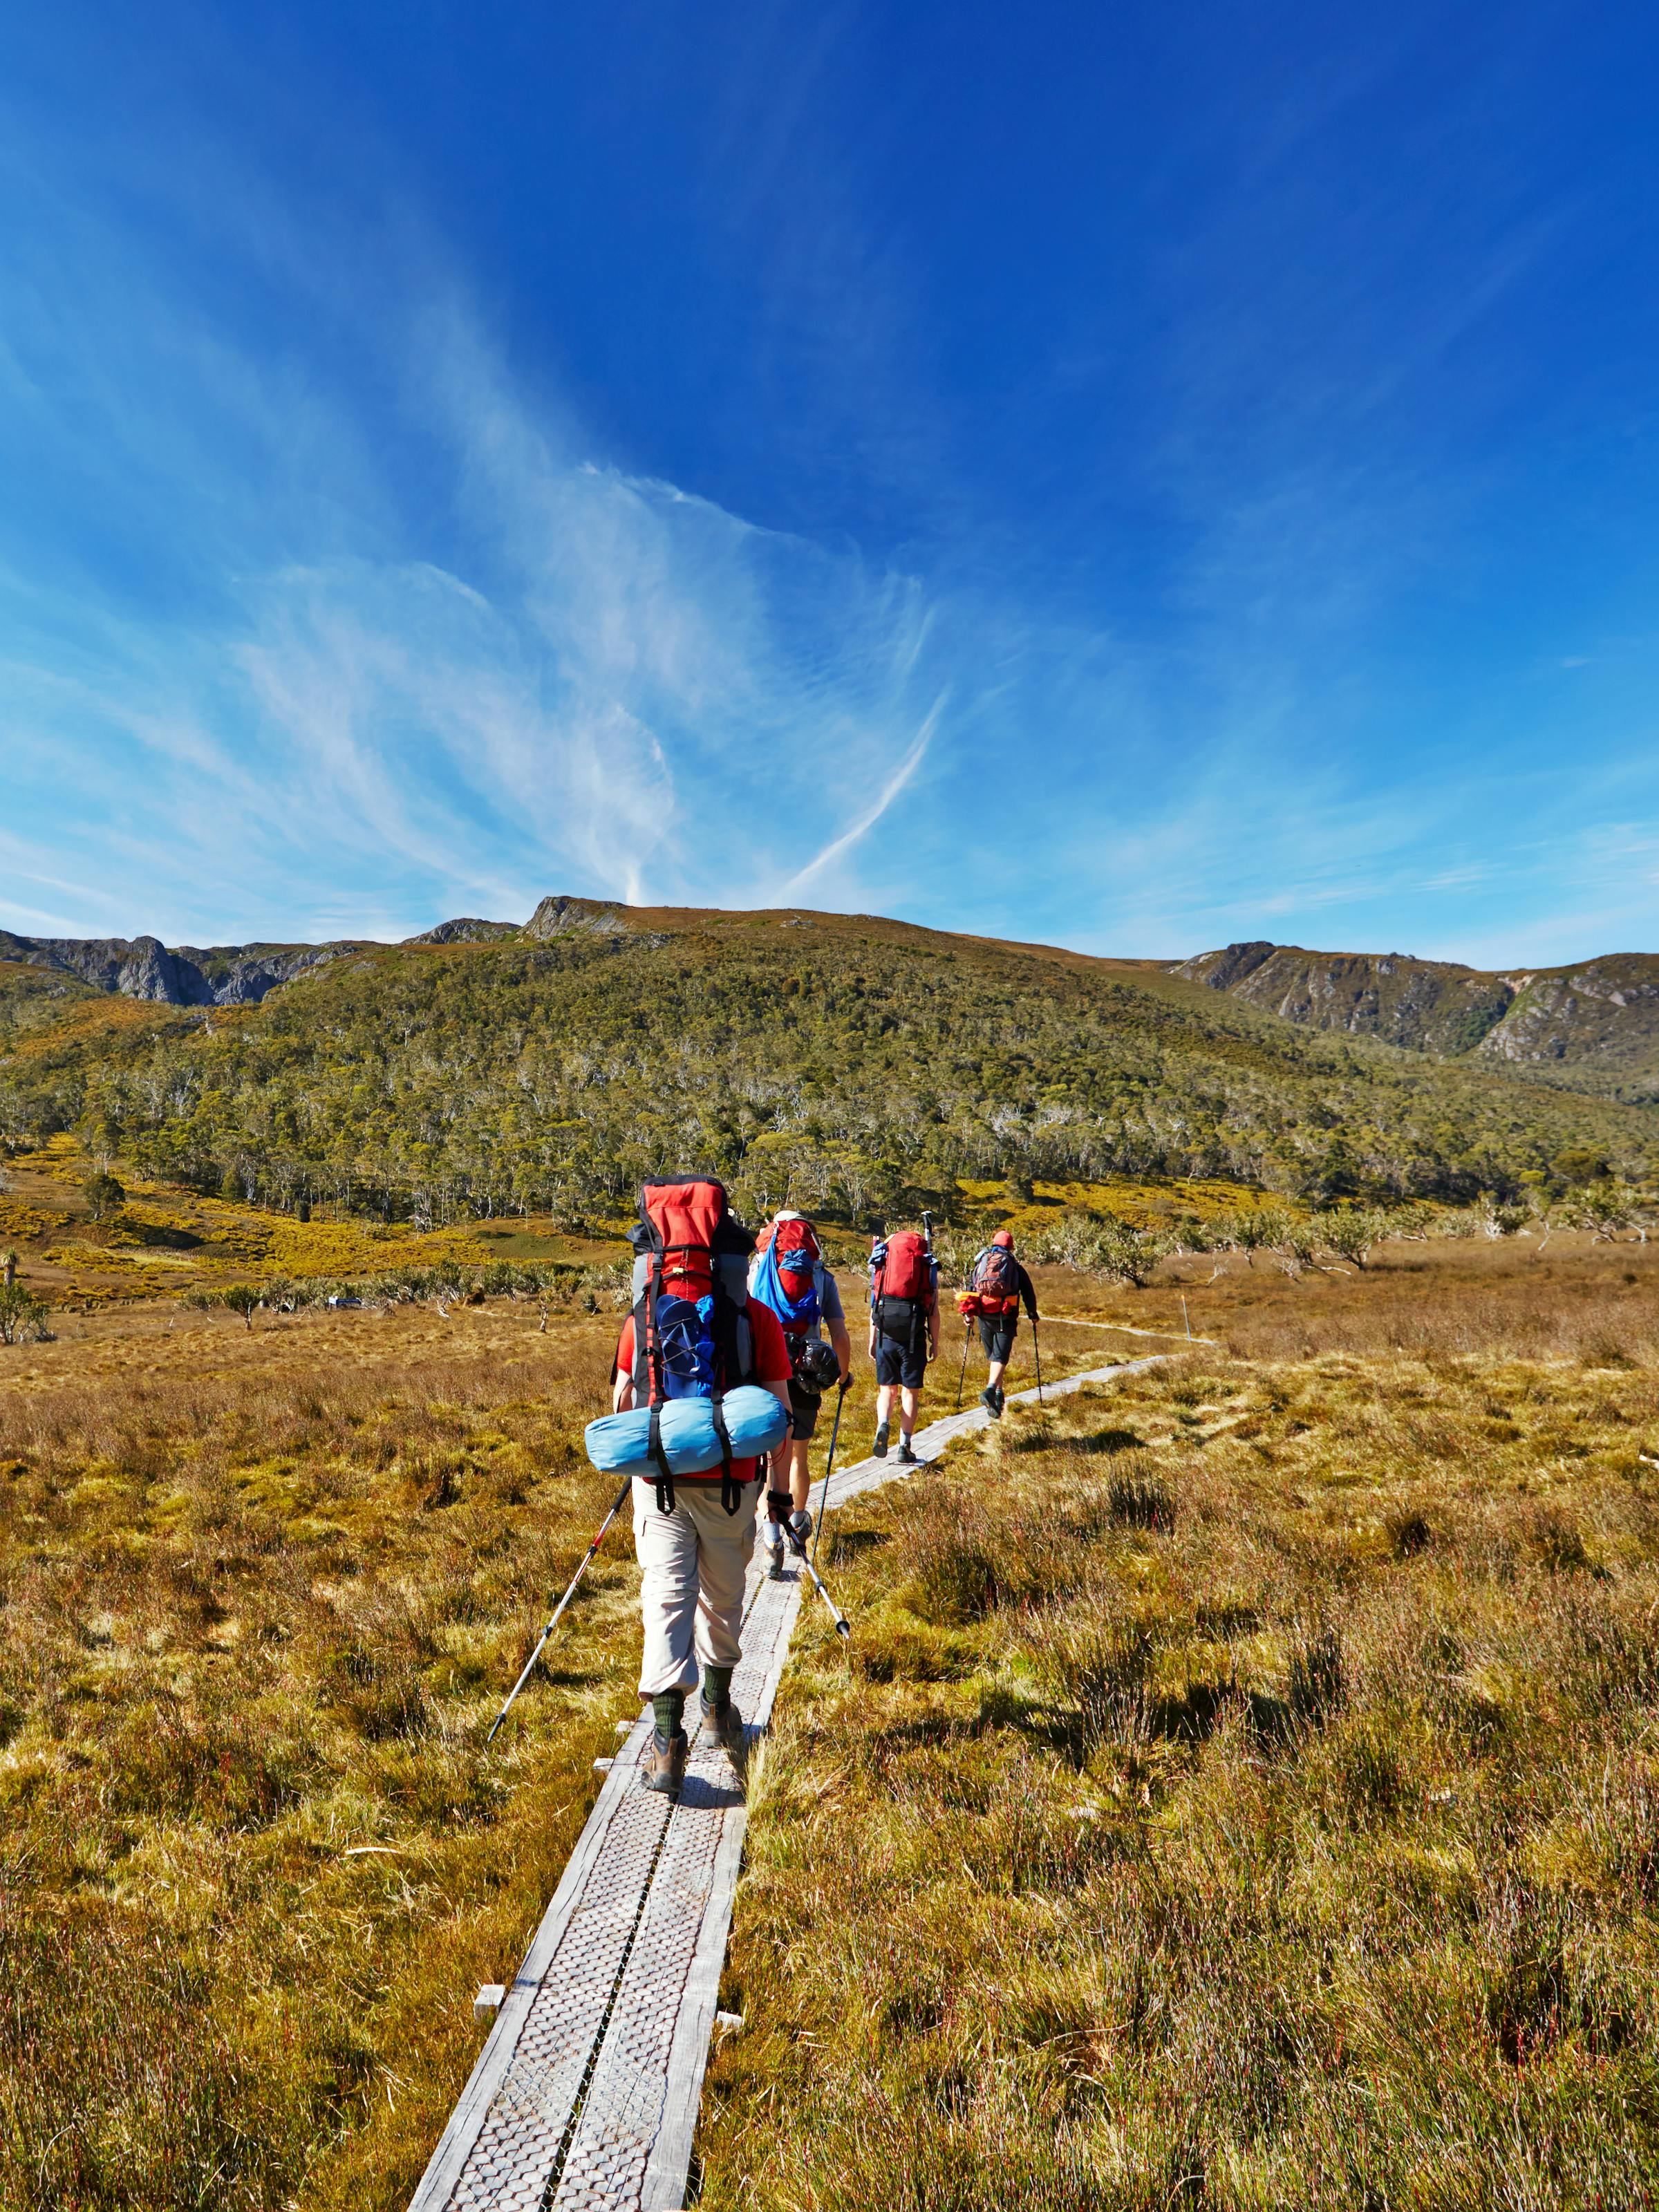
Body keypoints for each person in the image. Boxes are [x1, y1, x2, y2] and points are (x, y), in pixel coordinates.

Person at [613, 1177, 794, 1794]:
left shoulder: (640, 1318)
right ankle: (718, 1713)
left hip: (658, 1479)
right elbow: (778, 1419)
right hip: (733, 1485)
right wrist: (777, 1496)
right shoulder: (759, 1319)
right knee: (721, 1597)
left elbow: (622, 1401)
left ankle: (666, 1742)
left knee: (666, 1597)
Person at [748, 1209, 853, 1580]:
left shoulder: (758, 1268)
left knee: (767, 1454)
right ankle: (796, 1525)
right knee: (798, 1454)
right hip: (807, 1373)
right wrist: (841, 1374)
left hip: (764, 1372)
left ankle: (771, 1537)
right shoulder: (821, 1276)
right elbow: (839, 1334)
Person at [868, 1224, 939, 1464]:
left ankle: (883, 1423)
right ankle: (904, 1446)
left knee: (887, 1390)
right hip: (914, 1337)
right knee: (910, 1393)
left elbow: (875, 1303)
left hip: (885, 1335)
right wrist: (935, 1343)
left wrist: (872, 1341)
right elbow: (933, 1311)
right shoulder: (925, 1265)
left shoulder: (884, 1262)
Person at [959, 1227, 1038, 1418]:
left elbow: (971, 1289)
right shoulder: (1015, 1267)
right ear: (1011, 1247)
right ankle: (990, 1389)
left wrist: (968, 1314)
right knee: (1001, 1357)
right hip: (1006, 1315)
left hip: (984, 1316)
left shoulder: (981, 1263)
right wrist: (1032, 1313)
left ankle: (997, 1398)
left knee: (994, 1357)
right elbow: (1027, 1291)